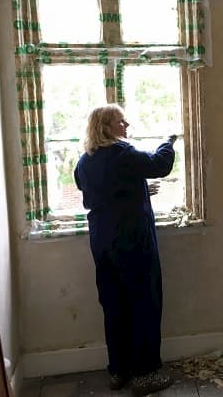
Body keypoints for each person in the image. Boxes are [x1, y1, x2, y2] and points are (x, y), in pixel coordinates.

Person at [74, 104, 176, 396]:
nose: (127, 125)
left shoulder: (84, 161)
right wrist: (168, 142)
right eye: (121, 121)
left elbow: (101, 189)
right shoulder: (123, 153)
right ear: (106, 128)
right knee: (144, 301)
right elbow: (160, 164)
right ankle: (145, 374)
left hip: (102, 242)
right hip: (132, 241)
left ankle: (118, 371)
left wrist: (140, 188)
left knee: (114, 304)